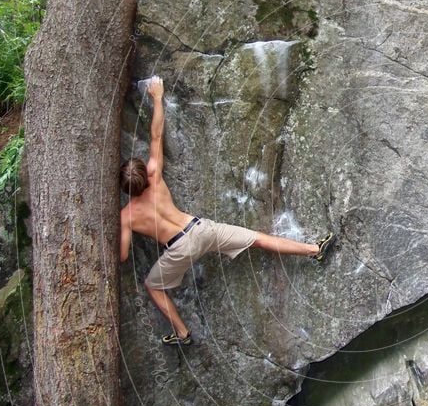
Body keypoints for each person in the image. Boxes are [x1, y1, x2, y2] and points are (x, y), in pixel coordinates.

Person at [119, 76, 334, 346]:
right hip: (200, 229)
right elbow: (156, 134)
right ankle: (314, 250)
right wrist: (157, 97)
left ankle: (183, 334)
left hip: (177, 249)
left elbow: (124, 255)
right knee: (257, 238)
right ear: (142, 173)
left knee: (153, 286)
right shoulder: (154, 176)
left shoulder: (126, 216)